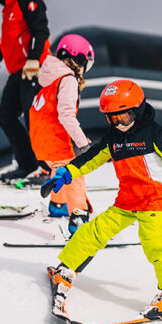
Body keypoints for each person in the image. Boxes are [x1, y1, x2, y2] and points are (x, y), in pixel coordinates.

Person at [43, 80, 162, 319]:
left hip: (152, 201)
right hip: (126, 201)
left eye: (123, 118)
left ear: (137, 110)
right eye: (112, 119)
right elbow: (92, 157)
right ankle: (66, 270)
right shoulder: (113, 138)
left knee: (154, 242)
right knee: (94, 231)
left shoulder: (153, 134)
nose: (118, 124)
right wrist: (68, 172)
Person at [0, 0, 51, 183]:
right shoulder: (9, 8)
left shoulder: (29, 0)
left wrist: (33, 60)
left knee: (35, 118)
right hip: (18, 72)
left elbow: (40, 31)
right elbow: (6, 41)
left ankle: (47, 167)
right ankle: (27, 164)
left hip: (35, 69)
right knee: (6, 116)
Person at [29, 34, 95, 234]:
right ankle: (79, 217)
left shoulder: (49, 78)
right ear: (79, 59)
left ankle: (58, 206)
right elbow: (66, 115)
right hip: (55, 139)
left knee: (59, 168)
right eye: (86, 64)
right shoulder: (68, 79)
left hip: (40, 140)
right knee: (74, 172)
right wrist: (82, 143)